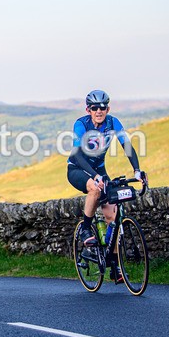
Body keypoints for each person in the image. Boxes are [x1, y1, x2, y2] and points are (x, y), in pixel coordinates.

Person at [67, 90, 146, 283]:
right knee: (95, 189)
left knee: (113, 216)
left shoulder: (113, 123)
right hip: (78, 169)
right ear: (88, 109)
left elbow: (126, 146)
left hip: (100, 171)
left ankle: (114, 264)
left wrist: (137, 170)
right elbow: (76, 154)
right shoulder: (82, 124)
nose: (99, 111)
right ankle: (86, 228)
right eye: (94, 108)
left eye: (102, 107)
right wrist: (94, 176)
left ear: (108, 108)